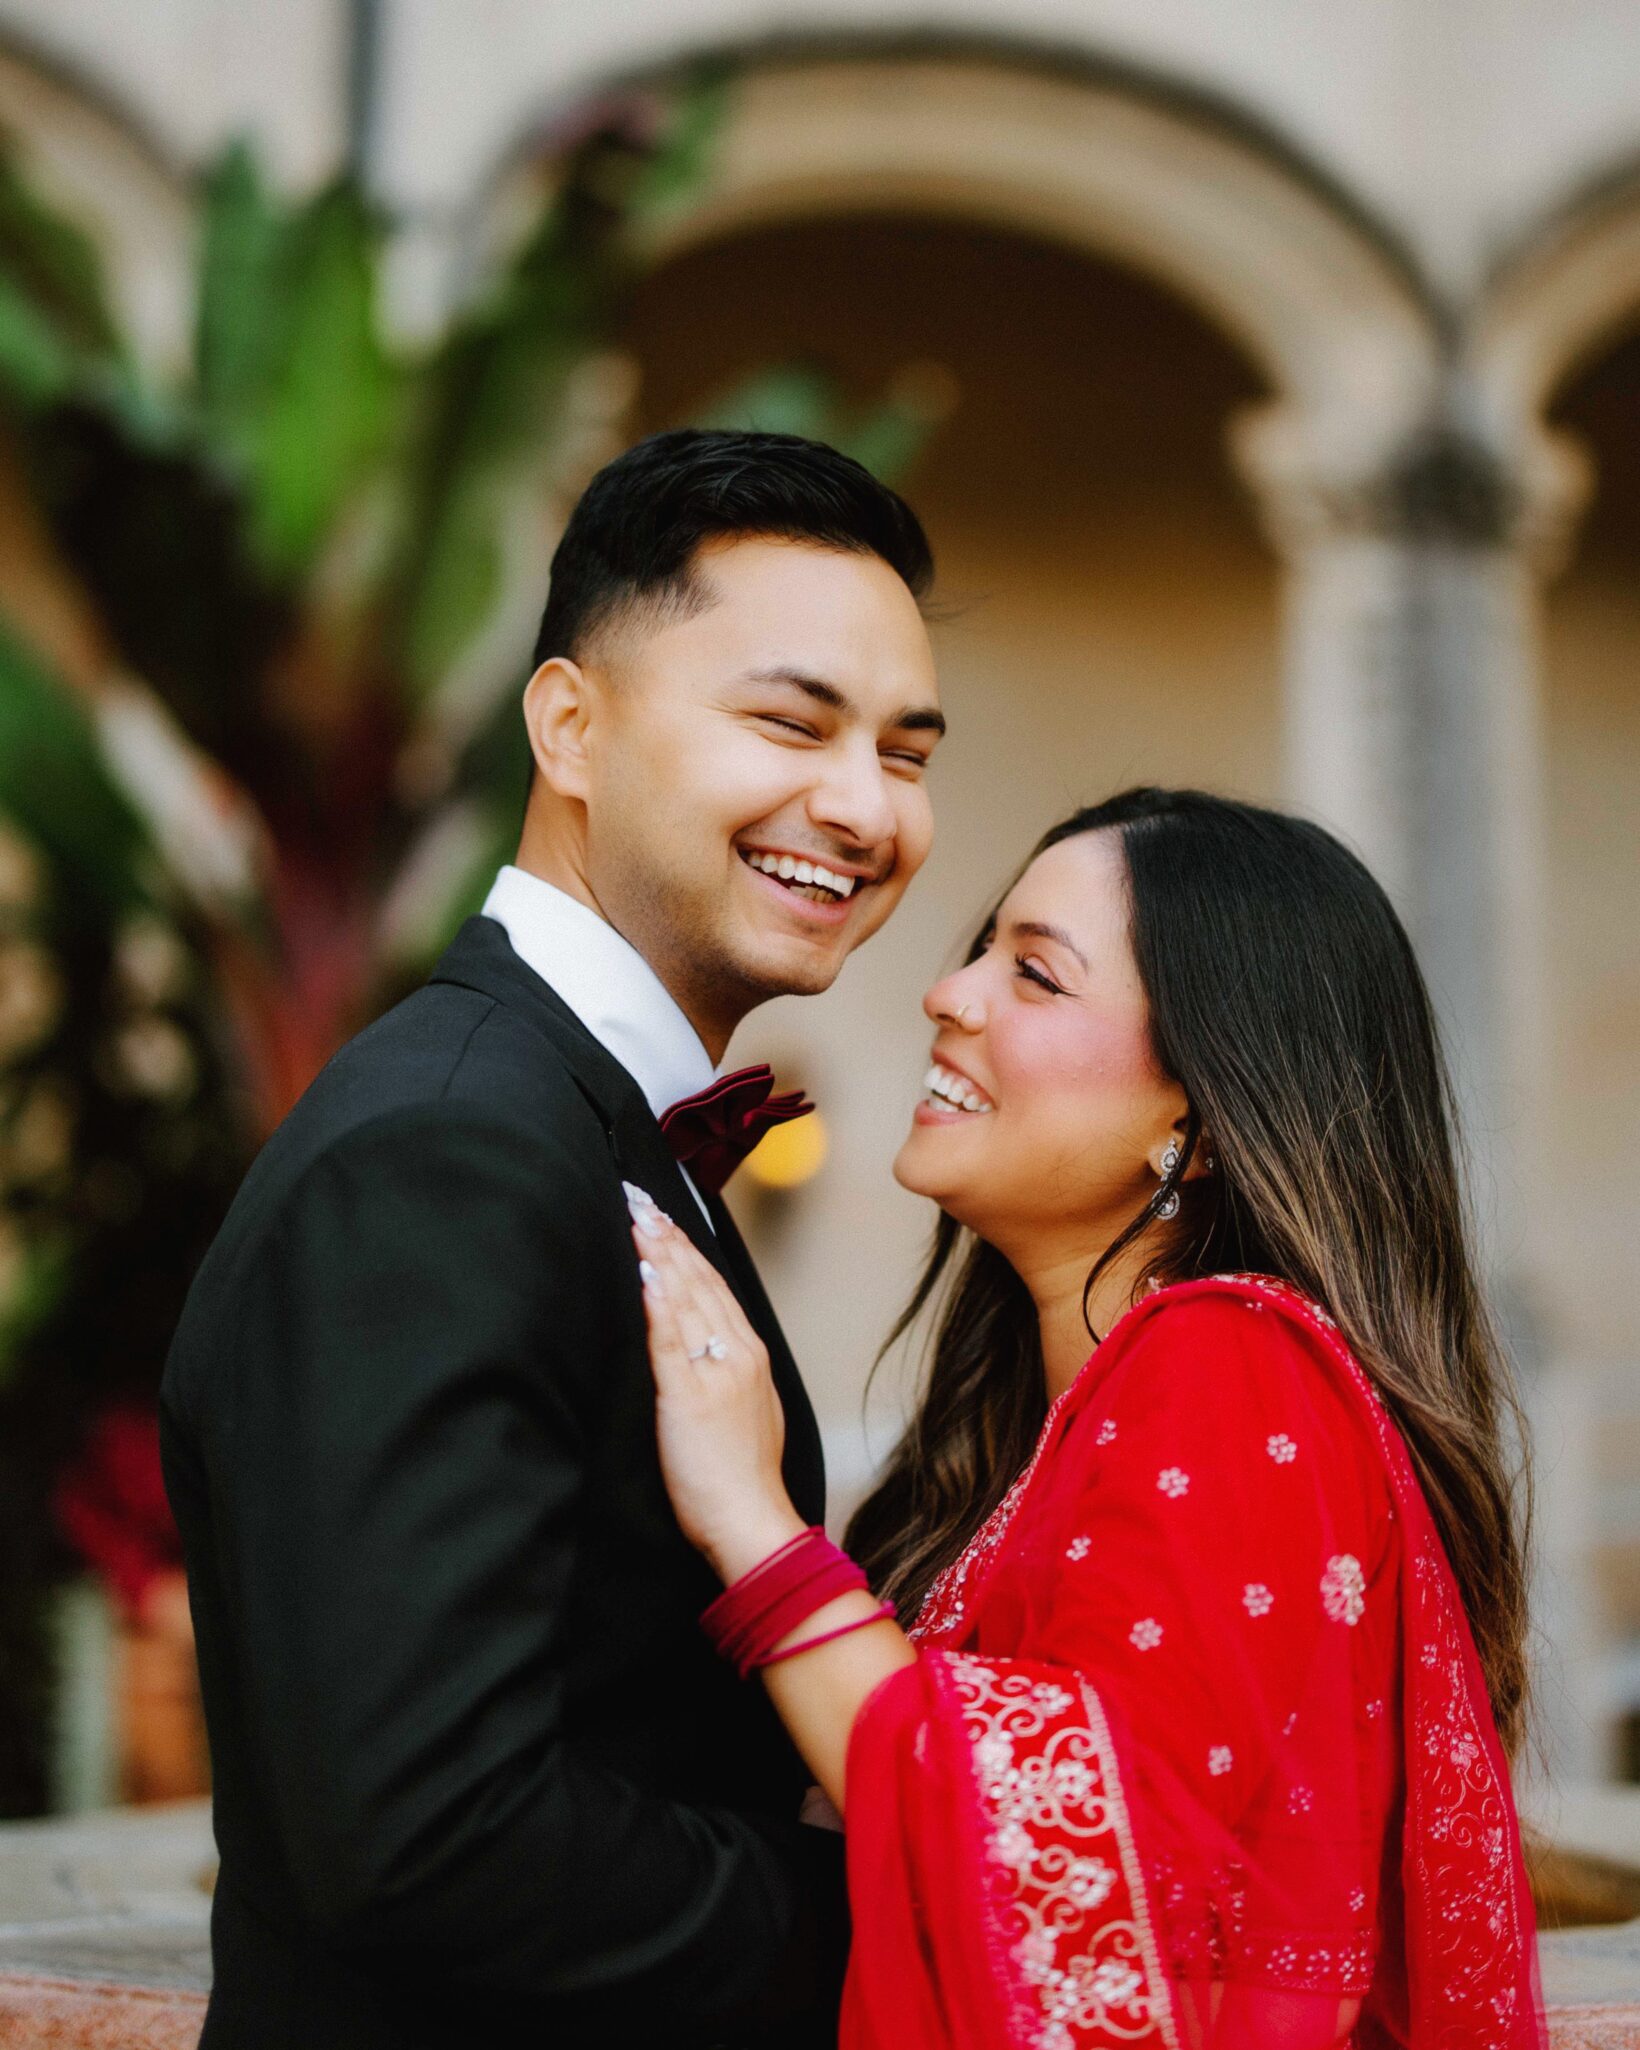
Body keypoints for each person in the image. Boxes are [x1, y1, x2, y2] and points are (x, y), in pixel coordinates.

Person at [159, 428, 944, 2048]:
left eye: (910, 751)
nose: (862, 805)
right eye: (791, 721)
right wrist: (915, 1917)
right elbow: (427, 1833)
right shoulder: (454, 1148)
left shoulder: (559, 1116)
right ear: (569, 726)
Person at [629, 786, 1547, 2050]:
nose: (948, 994)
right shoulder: (1072, 1412)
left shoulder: (1231, 1367)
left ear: (1200, 1120)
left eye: (1036, 975)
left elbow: (1087, 1877)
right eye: (981, 949)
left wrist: (749, 1520)